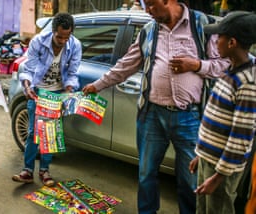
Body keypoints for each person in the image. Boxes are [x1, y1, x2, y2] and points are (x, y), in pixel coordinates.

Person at [83, 0, 229, 213]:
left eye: (151, 4)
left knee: (190, 180)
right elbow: (126, 65)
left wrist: (196, 65)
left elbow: (224, 65)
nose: (147, 10)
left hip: (190, 118)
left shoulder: (201, 25)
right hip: (152, 115)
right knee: (146, 175)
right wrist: (97, 85)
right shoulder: (149, 30)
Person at [188, 11, 256, 214]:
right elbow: (216, 120)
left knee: (218, 209)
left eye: (219, 37)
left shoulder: (247, 83)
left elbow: (240, 137)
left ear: (232, 43)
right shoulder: (230, 71)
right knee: (203, 208)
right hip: (209, 159)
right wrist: (201, 154)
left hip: (222, 167)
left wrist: (218, 176)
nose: (215, 41)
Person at [12, 12, 82, 187]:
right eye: (60, 37)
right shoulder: (38, 41)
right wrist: (27, 87)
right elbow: (28, 69)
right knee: (32, 133)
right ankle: (28, 171)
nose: (63, 41)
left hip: (57, 94)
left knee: (50, 133)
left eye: (67, 37)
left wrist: (69, 89)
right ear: (53, 31)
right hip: (38, 92)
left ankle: (44, 171)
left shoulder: (75, 45)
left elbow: (73, 73)